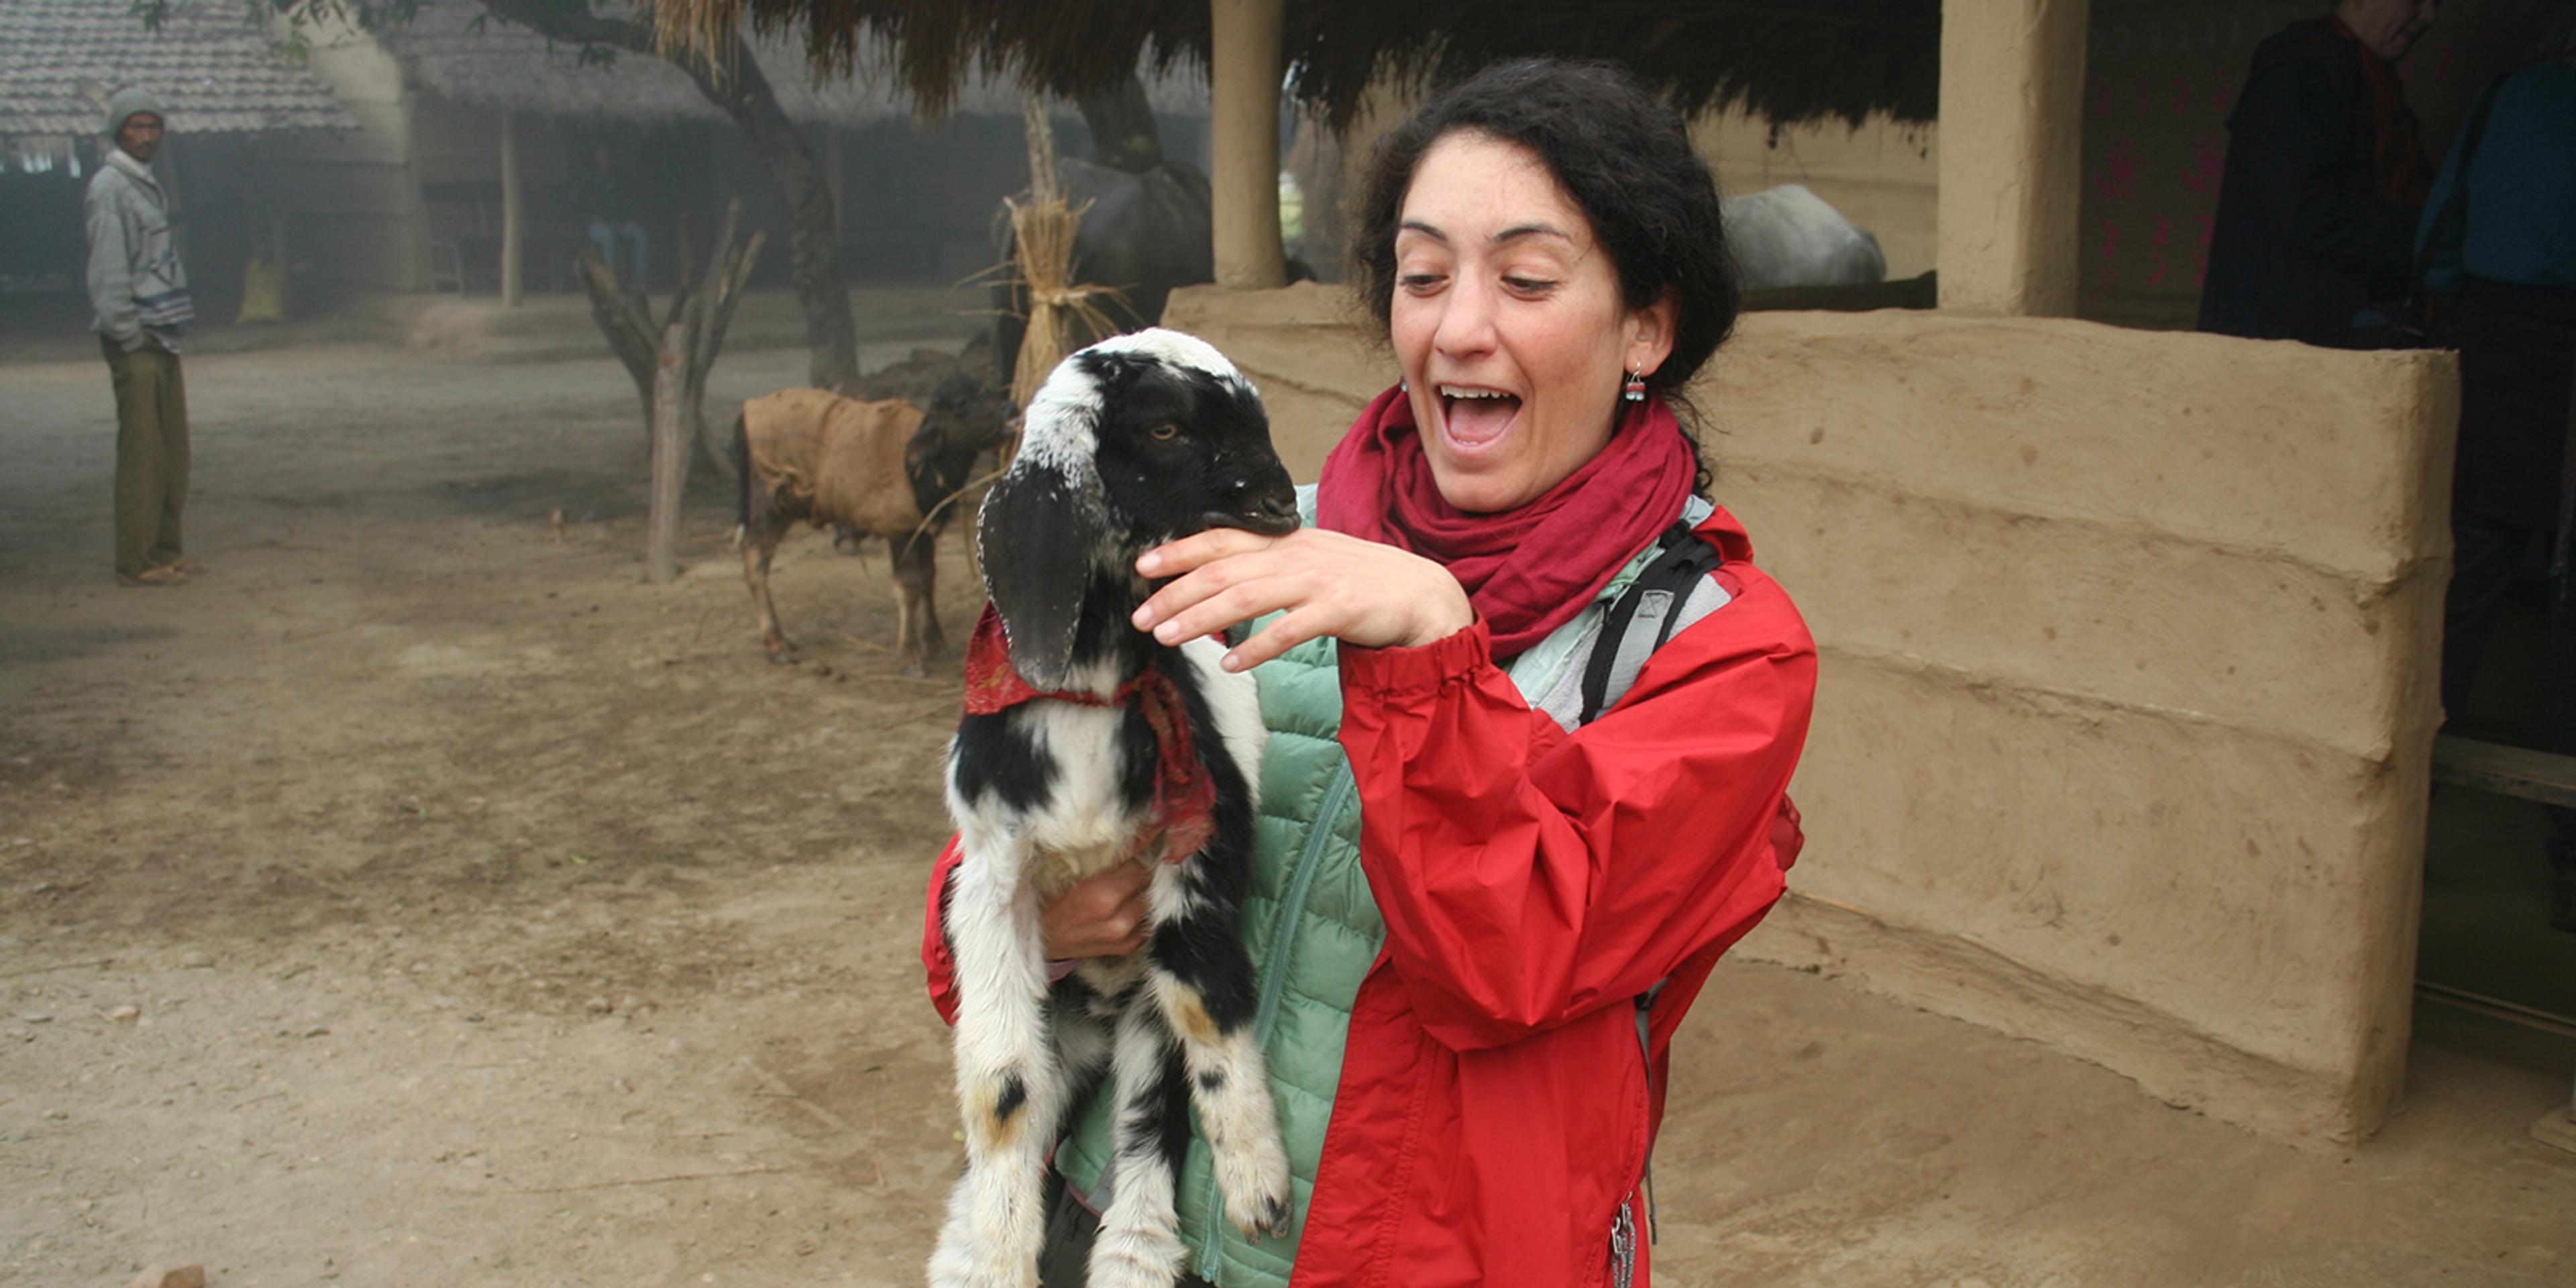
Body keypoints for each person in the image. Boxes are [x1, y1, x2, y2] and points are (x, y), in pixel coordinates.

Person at [920, 58, 1816, 1287]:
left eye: (1528, 278)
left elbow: (1505, 970)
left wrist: (1431, 647)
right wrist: (1056, 920)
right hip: (1121, 1233)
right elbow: (1002, 850)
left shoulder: (1721, 650)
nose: (1458, 326)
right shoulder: (1246, 551)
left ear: (1647, 328)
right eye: (1424, 274)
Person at [2418, 4, 2576, 932]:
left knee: (2461, 592)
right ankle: (2571, 861)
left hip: (2499, 358)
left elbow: (2439, 241)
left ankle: (2402, 814)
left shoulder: (2506, 99)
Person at [2198, 0, 2441, 347]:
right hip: (2282, 344)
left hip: (2310, 335)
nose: (2430, 16)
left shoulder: (2358, 72)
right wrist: (2430, 234)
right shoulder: (2301, 69)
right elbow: (2300, 210)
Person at [86, 86, 198, 588]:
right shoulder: (111, 187)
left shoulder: (145, 183)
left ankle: (167, 550)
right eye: (137, 127)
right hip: (136, 338)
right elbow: (107, 271)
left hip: (162, 334)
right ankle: (137, 559)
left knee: (173, 451)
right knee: (143, 456)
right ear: (119, 131)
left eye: (153, 127)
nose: (147, 136)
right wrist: (127, 335)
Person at [578, 142, 649, 288]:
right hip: (598, 226)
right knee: (608, 237)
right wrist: (590, 217)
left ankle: (639, 282)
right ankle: (611, 282)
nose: (605, 158)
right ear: (596, 157)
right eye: (601, 155)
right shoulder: (589, 180)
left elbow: (626, 201)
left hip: (619, 223)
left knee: (640, 234)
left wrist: (624, 218)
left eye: (607, 155)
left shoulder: (619, 177)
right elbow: (578, 204)